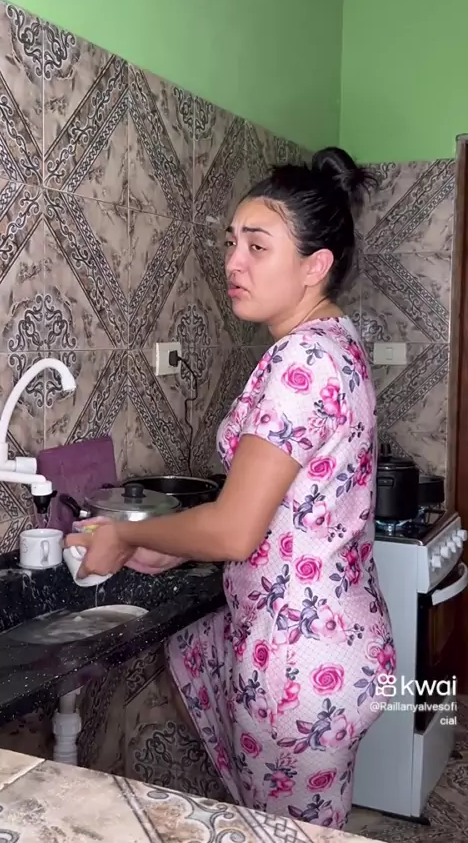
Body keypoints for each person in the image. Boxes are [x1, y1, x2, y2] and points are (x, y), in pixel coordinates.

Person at [67, 147, 395, 830]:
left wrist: (123, 534)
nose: (232, 262)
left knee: (284, 834)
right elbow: (280, 515)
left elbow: (235, 530)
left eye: (257, 245)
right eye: (231, 242)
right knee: (201, 664)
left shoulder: (302, 361)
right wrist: (177, 544)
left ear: (315, 265)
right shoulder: (334, 339)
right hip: (332, 642)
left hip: (300, 661)